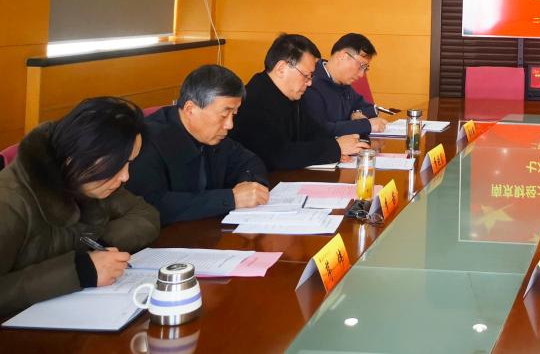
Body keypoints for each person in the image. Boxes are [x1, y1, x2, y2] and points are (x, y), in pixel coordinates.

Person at [0, 97, 160, 317]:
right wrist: (81, 270)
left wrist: (98, 247)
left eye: (129, 163)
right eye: (117, 164)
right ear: (78, 154)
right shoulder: (10, 202)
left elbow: (145, 215)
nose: (125, 176)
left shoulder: (91, 181)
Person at [127, 64, 270, 225]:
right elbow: (151, 204)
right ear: (190, 109)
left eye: (234, 114)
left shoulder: (213, 135)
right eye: (224, 115)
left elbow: (250, 161)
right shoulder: (147, 141)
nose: (230, 125)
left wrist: (248, 186)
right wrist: (230, 199)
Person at [231, 34, 368, 171]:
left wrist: (337, 147)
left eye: (311, 76)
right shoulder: (255, 101)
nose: (309, 83)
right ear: (281, 69)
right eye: (306, 76)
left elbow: (311, 130)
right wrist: (335, 148)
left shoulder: (291, 94)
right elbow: (280, 155)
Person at [302, 33, 389, 137]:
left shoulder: (343, 84)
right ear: (343, 56)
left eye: (365, 68)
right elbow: (320, 130)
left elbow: (368, 108)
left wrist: (356, 113)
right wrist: (365, 125)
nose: (361, 75)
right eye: (361, 66)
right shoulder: (310, 83)